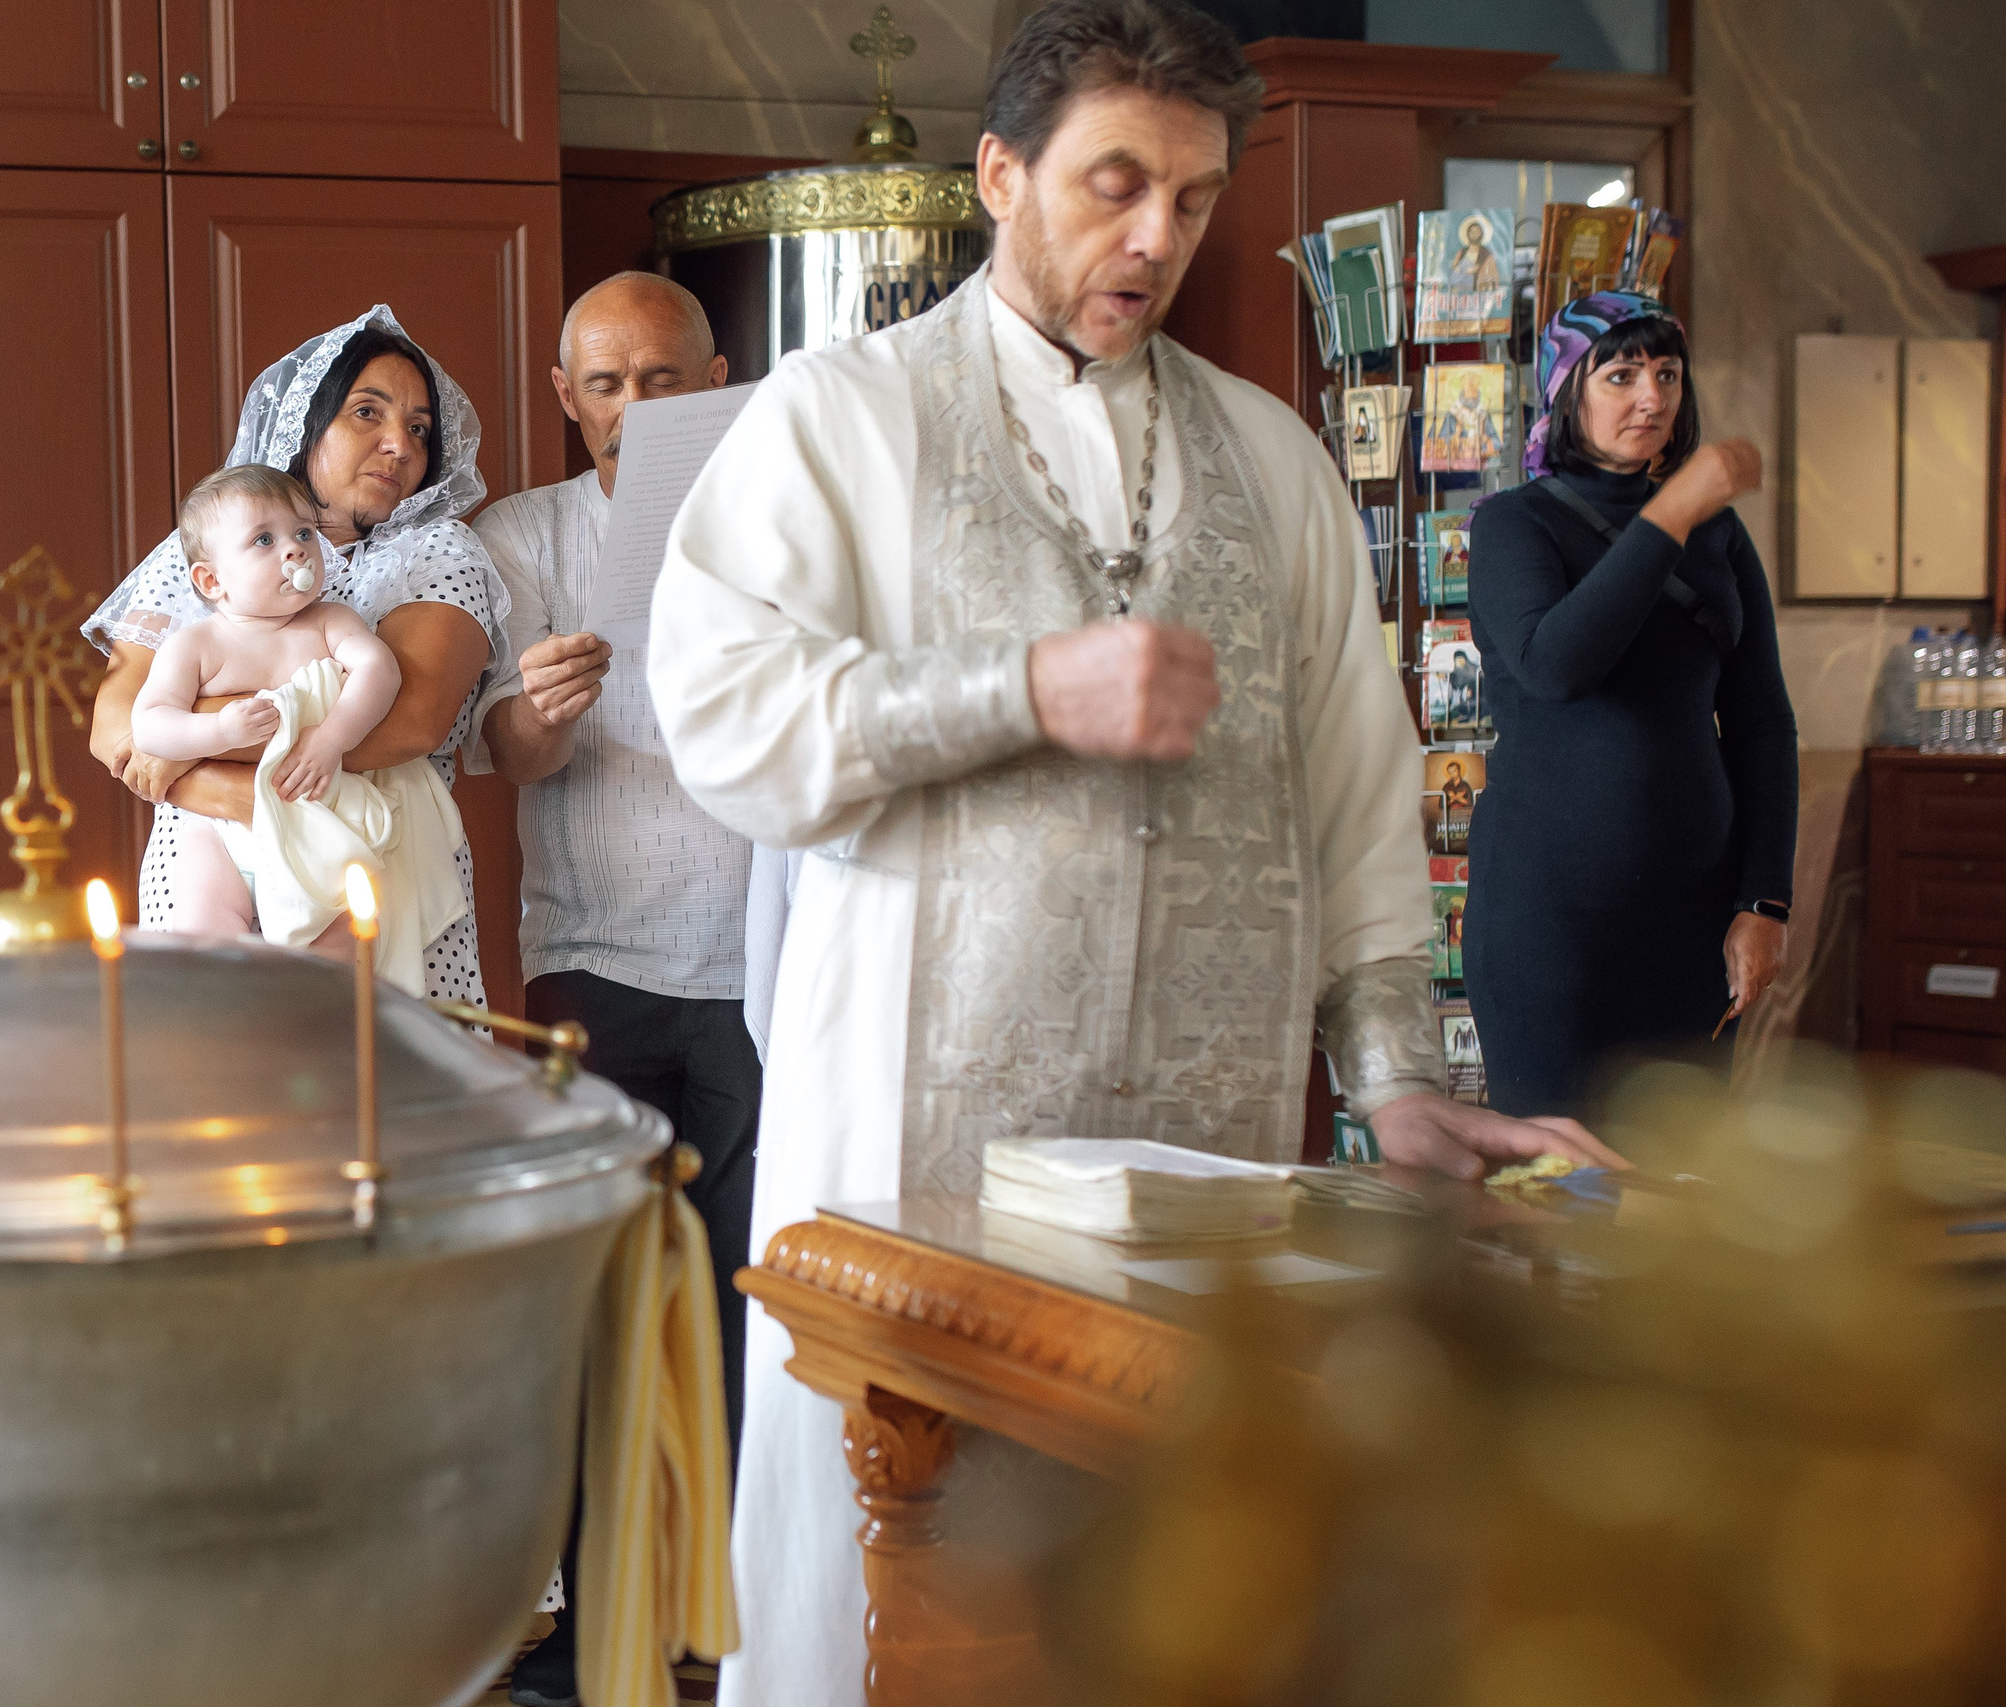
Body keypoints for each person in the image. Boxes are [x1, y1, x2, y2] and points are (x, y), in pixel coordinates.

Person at [644, 4, 1622, 1699]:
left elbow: (1356, 793)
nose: (1156, 237)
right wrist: (1019, 688)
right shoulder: (842, 419)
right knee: (887, 1605)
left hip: (1204, 1158)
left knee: (1162, 1597)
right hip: (908, 1142)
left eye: (1194, 195)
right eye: (1112, 185)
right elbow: (724, 712)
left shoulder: (1274, 458)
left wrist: (1393, 1076)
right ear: (1001, 174)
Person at [467, 270, 756, 1707]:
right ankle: (593, 1647)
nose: (637, 411)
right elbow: (500, 757)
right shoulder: (523, 535)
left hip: (768, 968)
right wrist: (538, 710)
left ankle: (733, 1635)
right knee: (603, 1315)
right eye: (605, 385)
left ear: (721, 373)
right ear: (563, 396)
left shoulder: (781, 513)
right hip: (593, 970)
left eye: (663, 381)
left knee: (751, 1308)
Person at [84, 306, 511, 1012]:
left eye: (418, 429)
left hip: (364, 865)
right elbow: (116, 721)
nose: (398, 445)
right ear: (304, 425)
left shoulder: (438, 551)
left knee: (365, 1083)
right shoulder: (212, 542)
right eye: (367, 412)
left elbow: (411, 720)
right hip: (210, 860)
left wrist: (190, 762)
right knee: (220, 1080)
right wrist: (216, 776)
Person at [1464, 290, 1798, 1115]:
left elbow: (1764, 724)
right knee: (1553, 1198)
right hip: (1548, 927)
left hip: (1696, 925)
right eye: (1620, 374)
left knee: (1676, 1202)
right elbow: (1556, 665)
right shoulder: (1513, 525)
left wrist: (1764, 902)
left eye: (1667, 373)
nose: (1652, 396)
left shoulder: (1721, 535)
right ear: (1568, 390)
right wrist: (1675, 508)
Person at [131, 463, 465, 986]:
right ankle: (228, 1021)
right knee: (203, 937)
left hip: (320, 826)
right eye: (264, 539)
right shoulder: (196, 646)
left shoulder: (330, 622)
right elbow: (149, 725)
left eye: (304, 533)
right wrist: (218, 732)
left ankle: (322, 1031)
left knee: (338, 952)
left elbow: (380, 671)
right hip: (224, 832)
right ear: (211, 580)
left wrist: (332, 738)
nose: (294, 549)